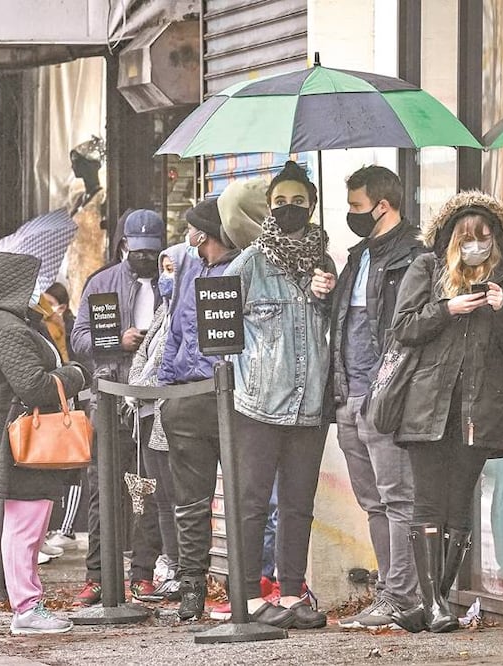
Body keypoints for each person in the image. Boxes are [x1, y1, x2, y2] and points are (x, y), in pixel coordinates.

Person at [388, 191, 503, 633]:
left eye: (484, 237)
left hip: (479, 407)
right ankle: (433, 605)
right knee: (427, 500)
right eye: (466, 238)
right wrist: (447, 309)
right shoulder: (426, 268)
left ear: (497, 239)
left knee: (459, 502)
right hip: (427, 405)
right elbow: (403, 327)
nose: (475, 245)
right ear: (450, 239)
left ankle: (436, 601)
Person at [224, 161, 336, 630]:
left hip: (309, 406)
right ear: (268, 207)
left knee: (298, 504)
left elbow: (339, 327)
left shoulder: (326, 263)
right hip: (256, 405)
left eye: (299, 202)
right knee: (251, 504)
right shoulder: (248, 263)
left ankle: (291, 593)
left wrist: (324, 293)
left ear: (312, 205)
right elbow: (218, 331)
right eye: (280, 202)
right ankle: (249, 596)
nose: (290, 209)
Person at [0, 251, 89, 634]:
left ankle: (28, 603)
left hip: (18, 438)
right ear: (13, 286)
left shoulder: (10, 322)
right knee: (25, 527)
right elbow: (33, 384)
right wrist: (75, 375)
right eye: (30, 282)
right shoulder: (8, 328)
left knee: (27, 524)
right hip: (20, 443)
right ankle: (27, 608)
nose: (38, 289)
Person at [329, 166, 425, 628]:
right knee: (374, 503)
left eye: (356, 207)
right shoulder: (356, 257)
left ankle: (403, 597)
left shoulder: (414, 256)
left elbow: (405, 331)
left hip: (383, 397)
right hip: (350, 396)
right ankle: (391, 591)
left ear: (382, 206)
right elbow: (346, 326)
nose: (352, 215)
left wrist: (382, 391)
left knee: (396, 499)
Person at [70, 209, 165, 605]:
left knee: (151, 488)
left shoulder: (172, 282)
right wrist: (116, 343)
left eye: (151, 252)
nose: (144, 258)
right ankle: (98, 575)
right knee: (103, 488)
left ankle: (143, 571)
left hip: (156, 400)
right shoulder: (102, 282)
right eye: (137, 250)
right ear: (125, 244)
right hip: (110, 398)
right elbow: (78, 339)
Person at [157, 198, 242, 619]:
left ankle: (244, 587)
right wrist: (168, 385)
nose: (188, 237)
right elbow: (175, 333)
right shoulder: (193, 272)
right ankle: (193, 585)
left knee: (245, 497)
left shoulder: (243, 272)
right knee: (191, 502)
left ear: (204, 234)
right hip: (188, 401)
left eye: (193, 229)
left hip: (232, 399)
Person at [129, 244, 190, 600]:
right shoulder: (162, 312)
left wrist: (142, 387)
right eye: (163, 269)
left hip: (169, 414)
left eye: (173, 269)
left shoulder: (184, 312)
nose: (166, 277)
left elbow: (171, 361)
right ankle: (170, 563)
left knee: (177, 496)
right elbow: (142, 355)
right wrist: (137, 386)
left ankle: (183, 567)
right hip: (148, 414)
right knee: (161, 498)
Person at [42, 282, 83, 551]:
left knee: (73, 466)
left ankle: (66, 529)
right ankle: (50, 529)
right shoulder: (43, 327)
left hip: (71, 404)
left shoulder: (68, 327)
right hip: (55, 407)